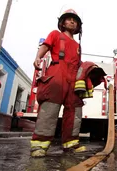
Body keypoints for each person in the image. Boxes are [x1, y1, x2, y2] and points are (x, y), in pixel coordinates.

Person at [30, 8, 86, 157]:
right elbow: (45, 46)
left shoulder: (77, 45)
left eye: (75, 20)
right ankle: (39, 145)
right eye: (69, 19)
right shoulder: (55, 34)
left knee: (74, 111)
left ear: (78, 27)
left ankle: (71, 143)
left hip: (73, 78)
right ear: (62, 22)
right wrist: (38, 57)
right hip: (56, 73)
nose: (72, 21)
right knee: (50, 108)